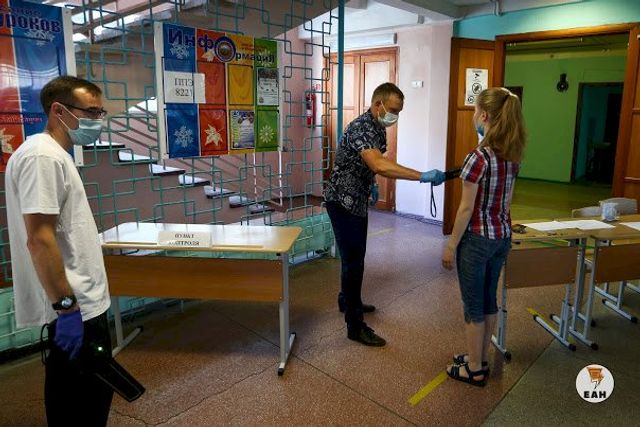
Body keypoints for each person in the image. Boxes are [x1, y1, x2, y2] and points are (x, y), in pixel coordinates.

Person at [5, 76, 114, 424]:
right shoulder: (42, 157)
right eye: (91, 112)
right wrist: (67, 310)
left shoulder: (55, 155)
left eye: (100, 112)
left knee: (91, 396)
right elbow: (39, 238)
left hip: (83, 302)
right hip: (74, 307)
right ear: (59, 110)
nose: (98, 120)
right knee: (77, 404)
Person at [324, 82, 445, 347]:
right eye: (393, 110)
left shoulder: (378, 128)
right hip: (341, 201)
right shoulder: (361, 127)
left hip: (357, 199)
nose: (395, 116)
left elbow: (372, 164)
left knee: (355, 257)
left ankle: (347, 300)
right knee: (353, 261)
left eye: (399, 111)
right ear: (378, 104)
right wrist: (422, 176)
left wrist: (372, 184)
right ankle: (355, 326)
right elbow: (379, 163)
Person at [441, 87, 526, 386]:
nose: (474, 116)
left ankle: (474, 369)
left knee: (473, 306)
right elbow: (507, 202)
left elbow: (466, 209)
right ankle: (481, 357)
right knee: (489, 300)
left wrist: (451, 246)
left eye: (476, 111)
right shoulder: (513, 156)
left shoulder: (478, 157)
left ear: (485, 116)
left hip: (476, 240)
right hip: (501, 237)